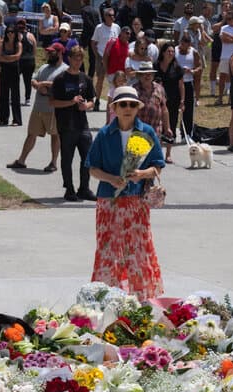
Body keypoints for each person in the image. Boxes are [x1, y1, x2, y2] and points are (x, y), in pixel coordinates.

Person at [86, 85, 166, 299]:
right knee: (107, 249)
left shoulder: (146, 132)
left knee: (138, 249)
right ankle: (105, 296)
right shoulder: (104, 134)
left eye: (132, 104)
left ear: (138, 107)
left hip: (135, 199)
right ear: (115, 108)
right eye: (123, 104)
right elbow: (92, 168)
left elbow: (157, 167)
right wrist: (111, 178)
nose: (127, 108)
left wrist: (141, 173)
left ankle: (142, 297)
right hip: (108, 200)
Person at [6, 41, 65, 172]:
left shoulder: (64, 69)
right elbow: (34, 78)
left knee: (55, 135)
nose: (48, 54)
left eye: (52, 52)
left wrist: (45, 85)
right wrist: (35, 83)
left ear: (60, 53)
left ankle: (53, 163)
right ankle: (21, 161)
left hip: (53, 108)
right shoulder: (44, 67)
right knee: (31, 134)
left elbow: (61, 86)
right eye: (48, 52)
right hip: (38, 107)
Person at [50, 45, 96, 202]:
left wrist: (86, 106)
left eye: (80, 58)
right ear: (69, 58)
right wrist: (71, 102)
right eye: (75, 57)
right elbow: (53, 102)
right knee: (67, 159)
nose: (78, 61)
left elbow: (92, 101)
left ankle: (84, 188)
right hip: (66, 125)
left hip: (82, 124)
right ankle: (69, 189)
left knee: (88, 158)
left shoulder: (86, 79)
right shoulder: (61, 79)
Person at [154, 44, 182, 162]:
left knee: (171, 126)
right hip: (158, 100)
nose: (171, 53)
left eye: (172, 52)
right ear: (163, 53)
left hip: (173, 100)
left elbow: (181, 85)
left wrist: (182, 100)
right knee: (159, 126)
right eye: (169, 51)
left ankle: (168, 154)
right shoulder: (156, 66)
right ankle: (159, 152)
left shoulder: (177, 67)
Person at [90, 8, 118, 111]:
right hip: (101, 56)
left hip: (113, 58)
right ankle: (97, 100)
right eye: (110, 15)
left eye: (113, 15)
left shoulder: (116, 27)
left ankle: (114, 101)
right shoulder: (99, 28)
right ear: (105, 16)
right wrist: (97, 55)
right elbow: (93, 42)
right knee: (100, 80)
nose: (112, 17)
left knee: (114, 81)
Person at [173, 33, 198, 142]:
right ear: (180, 42)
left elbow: (200, 66)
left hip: (188, 82)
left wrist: (192, 71)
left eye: (187, 45)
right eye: (183, 44)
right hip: (175, 83)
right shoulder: (174, 51)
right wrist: (178, 70)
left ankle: (187, 134)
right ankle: (172, 134)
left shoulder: (194, 52)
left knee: (188, 110)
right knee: (173, 108)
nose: (185, 47)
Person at [0, 25, 21, 126]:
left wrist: (6, 57)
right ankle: (3, 119)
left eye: (12, 32)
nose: (10, 34)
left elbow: (17, 56)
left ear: (15, 33)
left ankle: (16, 120)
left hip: (14, 70)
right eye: (8, 32)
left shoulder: (18, 44)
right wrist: (10, 58)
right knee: (3, 95)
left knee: (15, 95)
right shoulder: (2, 43)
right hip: (5, 70)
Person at [215, 10, 233, 105]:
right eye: (228, 19)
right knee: (222, 76)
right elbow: (223, 40)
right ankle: (220, 98)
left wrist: (231, 38)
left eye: (231, 19)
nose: (229, 21)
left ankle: (231, 99)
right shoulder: (224, 28)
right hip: (225, 56)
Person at [15, 18, 36, 105]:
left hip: (19, 60)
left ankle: (15, 97)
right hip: (30, 60)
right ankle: (27, 99)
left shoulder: (17, 35)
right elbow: (34, 49)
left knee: (15, 80)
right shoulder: (31, 35)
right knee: (27, 81)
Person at [77, 0, 98, 77]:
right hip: (94, 35)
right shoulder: (95, 11)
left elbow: (87, 22)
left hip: (86, 35)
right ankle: (90, 76)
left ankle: (82, 73)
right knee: (92, 58)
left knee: (79, 53)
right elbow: (98, 23)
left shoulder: (84, 10)